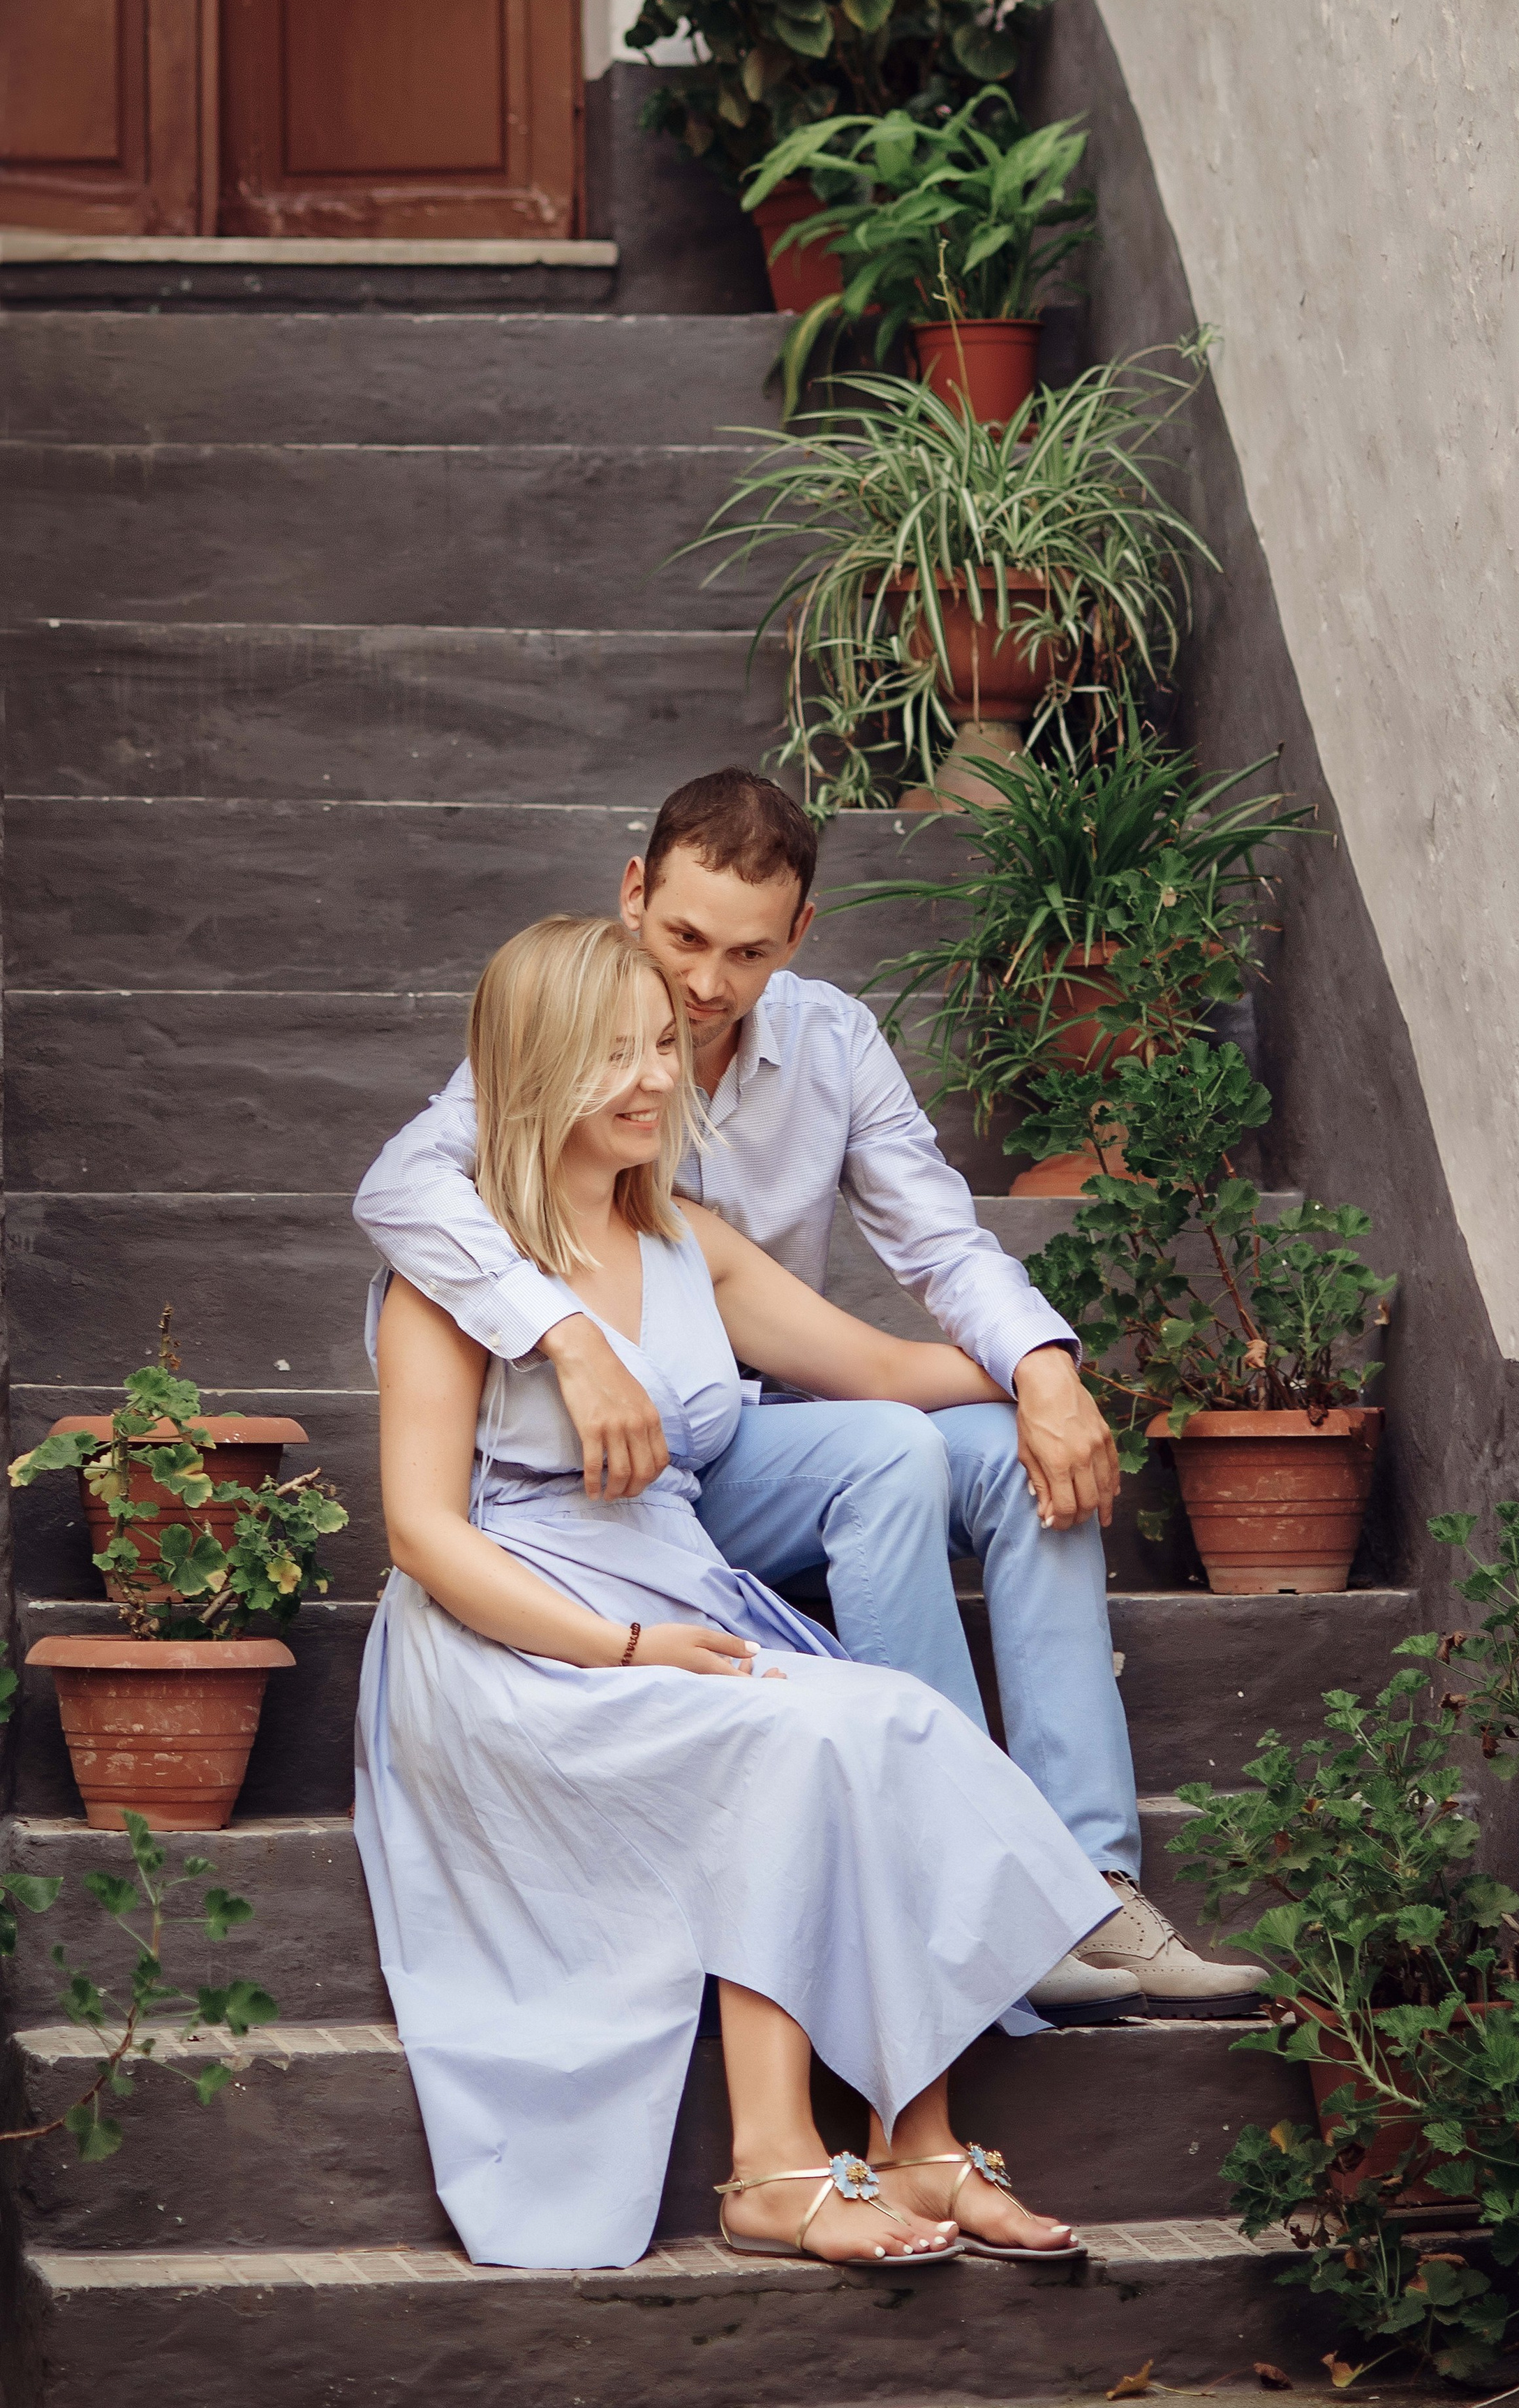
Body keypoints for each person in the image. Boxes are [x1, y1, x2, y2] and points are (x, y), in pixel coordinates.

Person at [355, 769, 1266, 2021]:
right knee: (895, 1450)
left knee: (1011, 1448)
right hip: (612, 1476)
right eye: (682, 938)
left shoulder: (833, 1045)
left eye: (747, 952)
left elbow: (940, 1256)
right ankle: (973, 1871)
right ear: (634, 895)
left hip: (757, 1427)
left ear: (800, 936)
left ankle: (1090, 1879)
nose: (705, 985)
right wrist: (569, 1335)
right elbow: (405, 1189)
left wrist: (1054, 1373)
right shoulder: (566, 1026)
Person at [356, 917, 1115, 2270]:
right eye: (612, 1057)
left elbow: (882, 1371)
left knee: (891, 1720)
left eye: (660, 1048)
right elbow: (421, 1535)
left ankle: (916, 2143)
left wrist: (1048, 1372)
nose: (655, 1078)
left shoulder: (682, 1246)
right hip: (522, 1645)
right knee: (789, 1734)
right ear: (530, 1070)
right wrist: (623, 1645)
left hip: (677, 1598)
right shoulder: (453, 1281)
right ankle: (766, 2167)